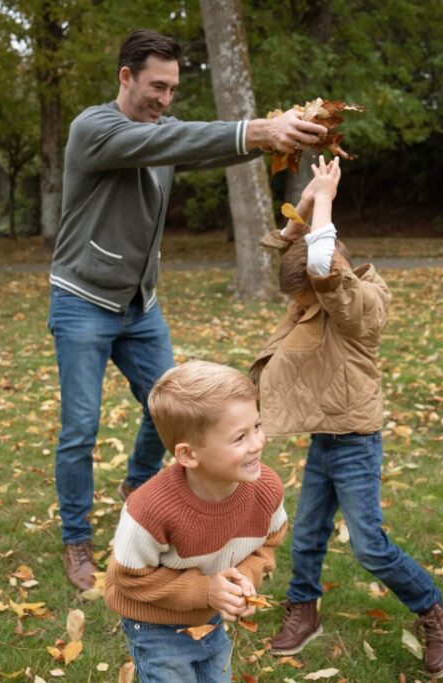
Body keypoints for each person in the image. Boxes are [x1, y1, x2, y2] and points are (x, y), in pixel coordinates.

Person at [48, 28, 325, 590]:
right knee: (80, 427)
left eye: (172, 89)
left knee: (172, 407)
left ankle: (134, 487)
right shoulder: (93, 129)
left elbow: (192, 142)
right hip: (83, 299)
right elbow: (172, 143)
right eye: (156, 86)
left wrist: (273, 137)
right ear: (126, 77)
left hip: (139, 303)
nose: (165, 100)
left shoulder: (162, 131)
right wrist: (258, 130)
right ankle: (76, 539)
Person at [250, 157, 443, 679]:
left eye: (305, 300)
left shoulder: (356, 302)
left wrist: (327, 198)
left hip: (355, 439)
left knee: (369, 545)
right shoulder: (320, 288)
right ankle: (304, 609)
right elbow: (290, 246)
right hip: (326, 432)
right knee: (306, 533)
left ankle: (437, 611)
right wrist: (305, 202)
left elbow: (322, 265)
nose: (299, 308)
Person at [105, 360, 287, 682]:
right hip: (154, 624)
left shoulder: (266, 490)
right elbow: (128, 579)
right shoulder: (150, 510)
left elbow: (269, 543)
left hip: (209, 615)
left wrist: (242, 579)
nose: (258, 443)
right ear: (188, 455)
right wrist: (206, 590)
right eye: (239, 437)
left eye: (257, 427)